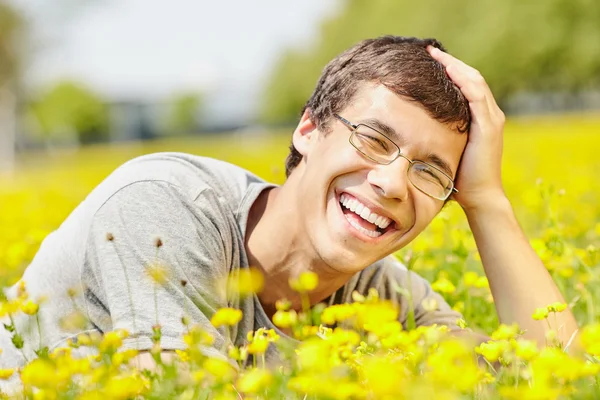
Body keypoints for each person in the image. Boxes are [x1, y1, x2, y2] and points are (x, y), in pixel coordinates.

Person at [0, 36, 578, 374]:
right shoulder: (162, 210)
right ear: (309, 129)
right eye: (374, 140)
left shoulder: (379, 295)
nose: (393, 183)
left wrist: (486, 199)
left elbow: (552, 377)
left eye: (432, 172)